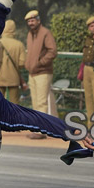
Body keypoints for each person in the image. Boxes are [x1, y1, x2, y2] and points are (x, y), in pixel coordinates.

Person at [24, 9, 58, 137]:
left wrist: (40, 62)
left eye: (33, 20)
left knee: (41, 102)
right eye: (29, 21)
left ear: (38, 20)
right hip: (32, 73)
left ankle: (40, 131)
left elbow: (52, 51)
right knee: (36, 102)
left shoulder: (45, 33)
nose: (31, 23)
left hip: (43, 72)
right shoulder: (29, 34)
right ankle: (55, 127)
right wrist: (29, 64)